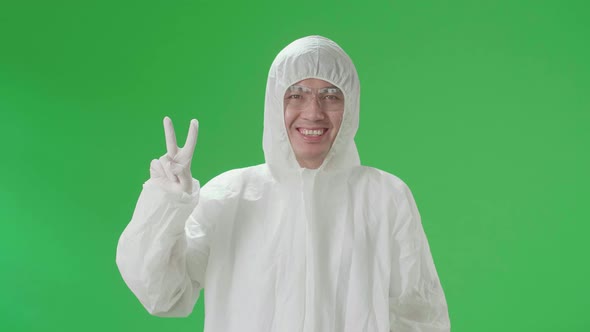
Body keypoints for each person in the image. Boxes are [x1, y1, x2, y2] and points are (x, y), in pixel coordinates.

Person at [116, 35, 450, 332]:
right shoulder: (229, 196)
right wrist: (166, 204)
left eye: (331, 96)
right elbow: (162, 294)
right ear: (275, 102)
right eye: (297, 95)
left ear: (350, 107)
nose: (313, 112)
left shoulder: (385, 198)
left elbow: (419, 316)